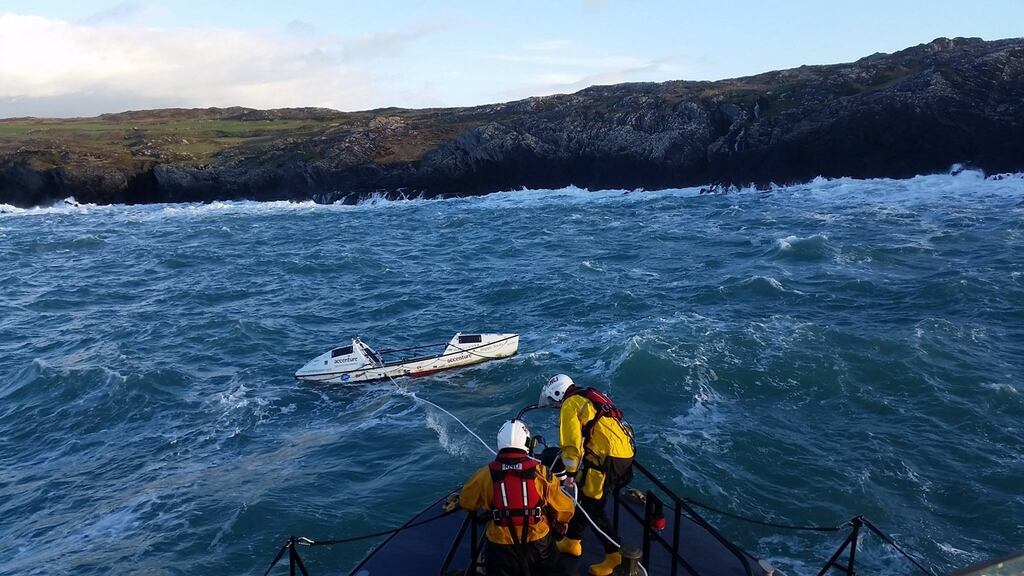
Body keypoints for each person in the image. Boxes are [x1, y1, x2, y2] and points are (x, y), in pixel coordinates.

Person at [446, 419, 575, 576]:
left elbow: (467, 502)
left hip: (500, 545)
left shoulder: (484, 474)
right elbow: (565, 508)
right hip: (538, 542)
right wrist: (561, 523)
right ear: (527, 443)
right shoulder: (541, 472)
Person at [539, 374, 635, 576]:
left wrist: (571, 473)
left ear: (558, 394)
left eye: (552, 399)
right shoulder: (587, 395)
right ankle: (572, 541)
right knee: (583, 498)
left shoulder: (569, 404)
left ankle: (614, 555)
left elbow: (571, 442)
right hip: (620, 454)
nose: (553, 404)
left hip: (607, 459)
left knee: (593, 506)